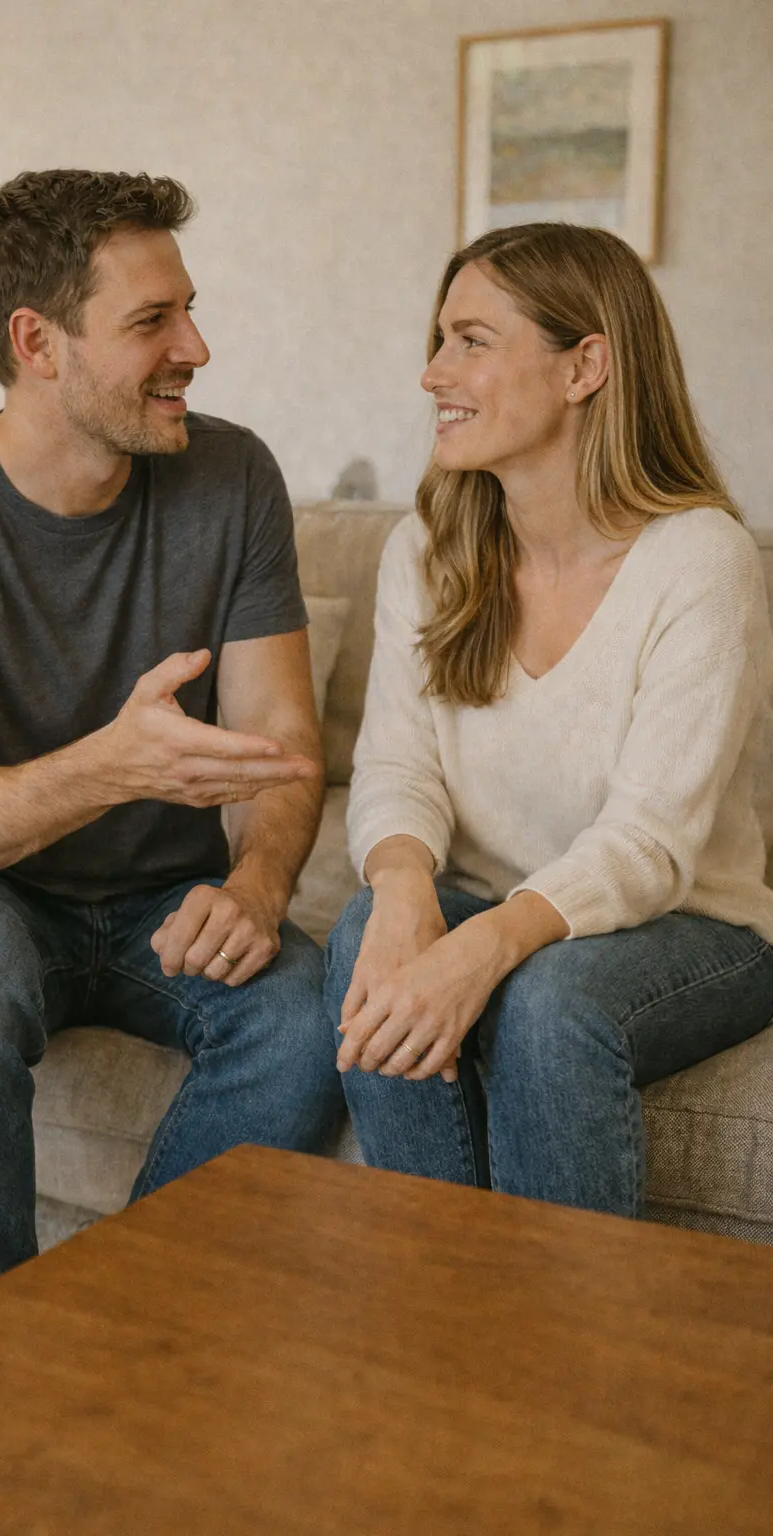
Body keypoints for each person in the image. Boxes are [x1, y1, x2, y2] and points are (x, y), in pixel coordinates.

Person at [0, 169, 343, 1315]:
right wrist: (111, 767)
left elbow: (277, 741)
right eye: (152, 321)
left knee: (309, 1010)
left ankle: (110, 1329)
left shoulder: (232, 476)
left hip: (167, 892)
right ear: (37, 343)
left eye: (189, 310)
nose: (195, 348)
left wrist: (257, 885)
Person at [326, 221, 773, 1217]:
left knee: (549, 1002)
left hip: (694, 925)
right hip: (493, 896)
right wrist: (402, 891)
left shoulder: (700, 559)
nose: (432, 373)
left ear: (584, 368)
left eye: (471, 341)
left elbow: (649, 843)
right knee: (365, 932)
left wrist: (484, 948)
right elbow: (396, 767)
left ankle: (560, 1318)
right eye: (438, 339)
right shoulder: (427, 548)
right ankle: (440, 1285)